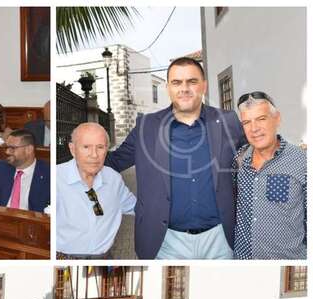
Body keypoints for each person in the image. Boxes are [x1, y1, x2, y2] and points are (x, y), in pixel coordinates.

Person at [105, 57, 247, 259]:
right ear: (168, 88)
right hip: (165, 243)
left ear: (204, 86)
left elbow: (256, 154)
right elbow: (114, 162)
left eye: (192, 81)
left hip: (220, 240)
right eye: (176, 82)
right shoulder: (147, 126)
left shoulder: (228, 121)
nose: (184, 88)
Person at [233, 92, 307, 259]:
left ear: (277, 119)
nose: (254, 129)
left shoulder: (302, 161)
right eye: (247, 122)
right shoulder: (239, 160)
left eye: (261, 119)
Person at [57, 122, 136, 259]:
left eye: (100, 147)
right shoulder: (56, 179)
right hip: (65, 261)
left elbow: (138, 208)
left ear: (107, 150)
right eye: (86, 147)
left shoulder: (113, 179)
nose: (94, 155)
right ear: (72, 149)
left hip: (104, 260)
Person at [0, 129, 50, 212]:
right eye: (6, 147)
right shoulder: (0, 168)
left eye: (12, 148)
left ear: (29, 149)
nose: (7, 152)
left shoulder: (48, 174)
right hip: (1, 219)